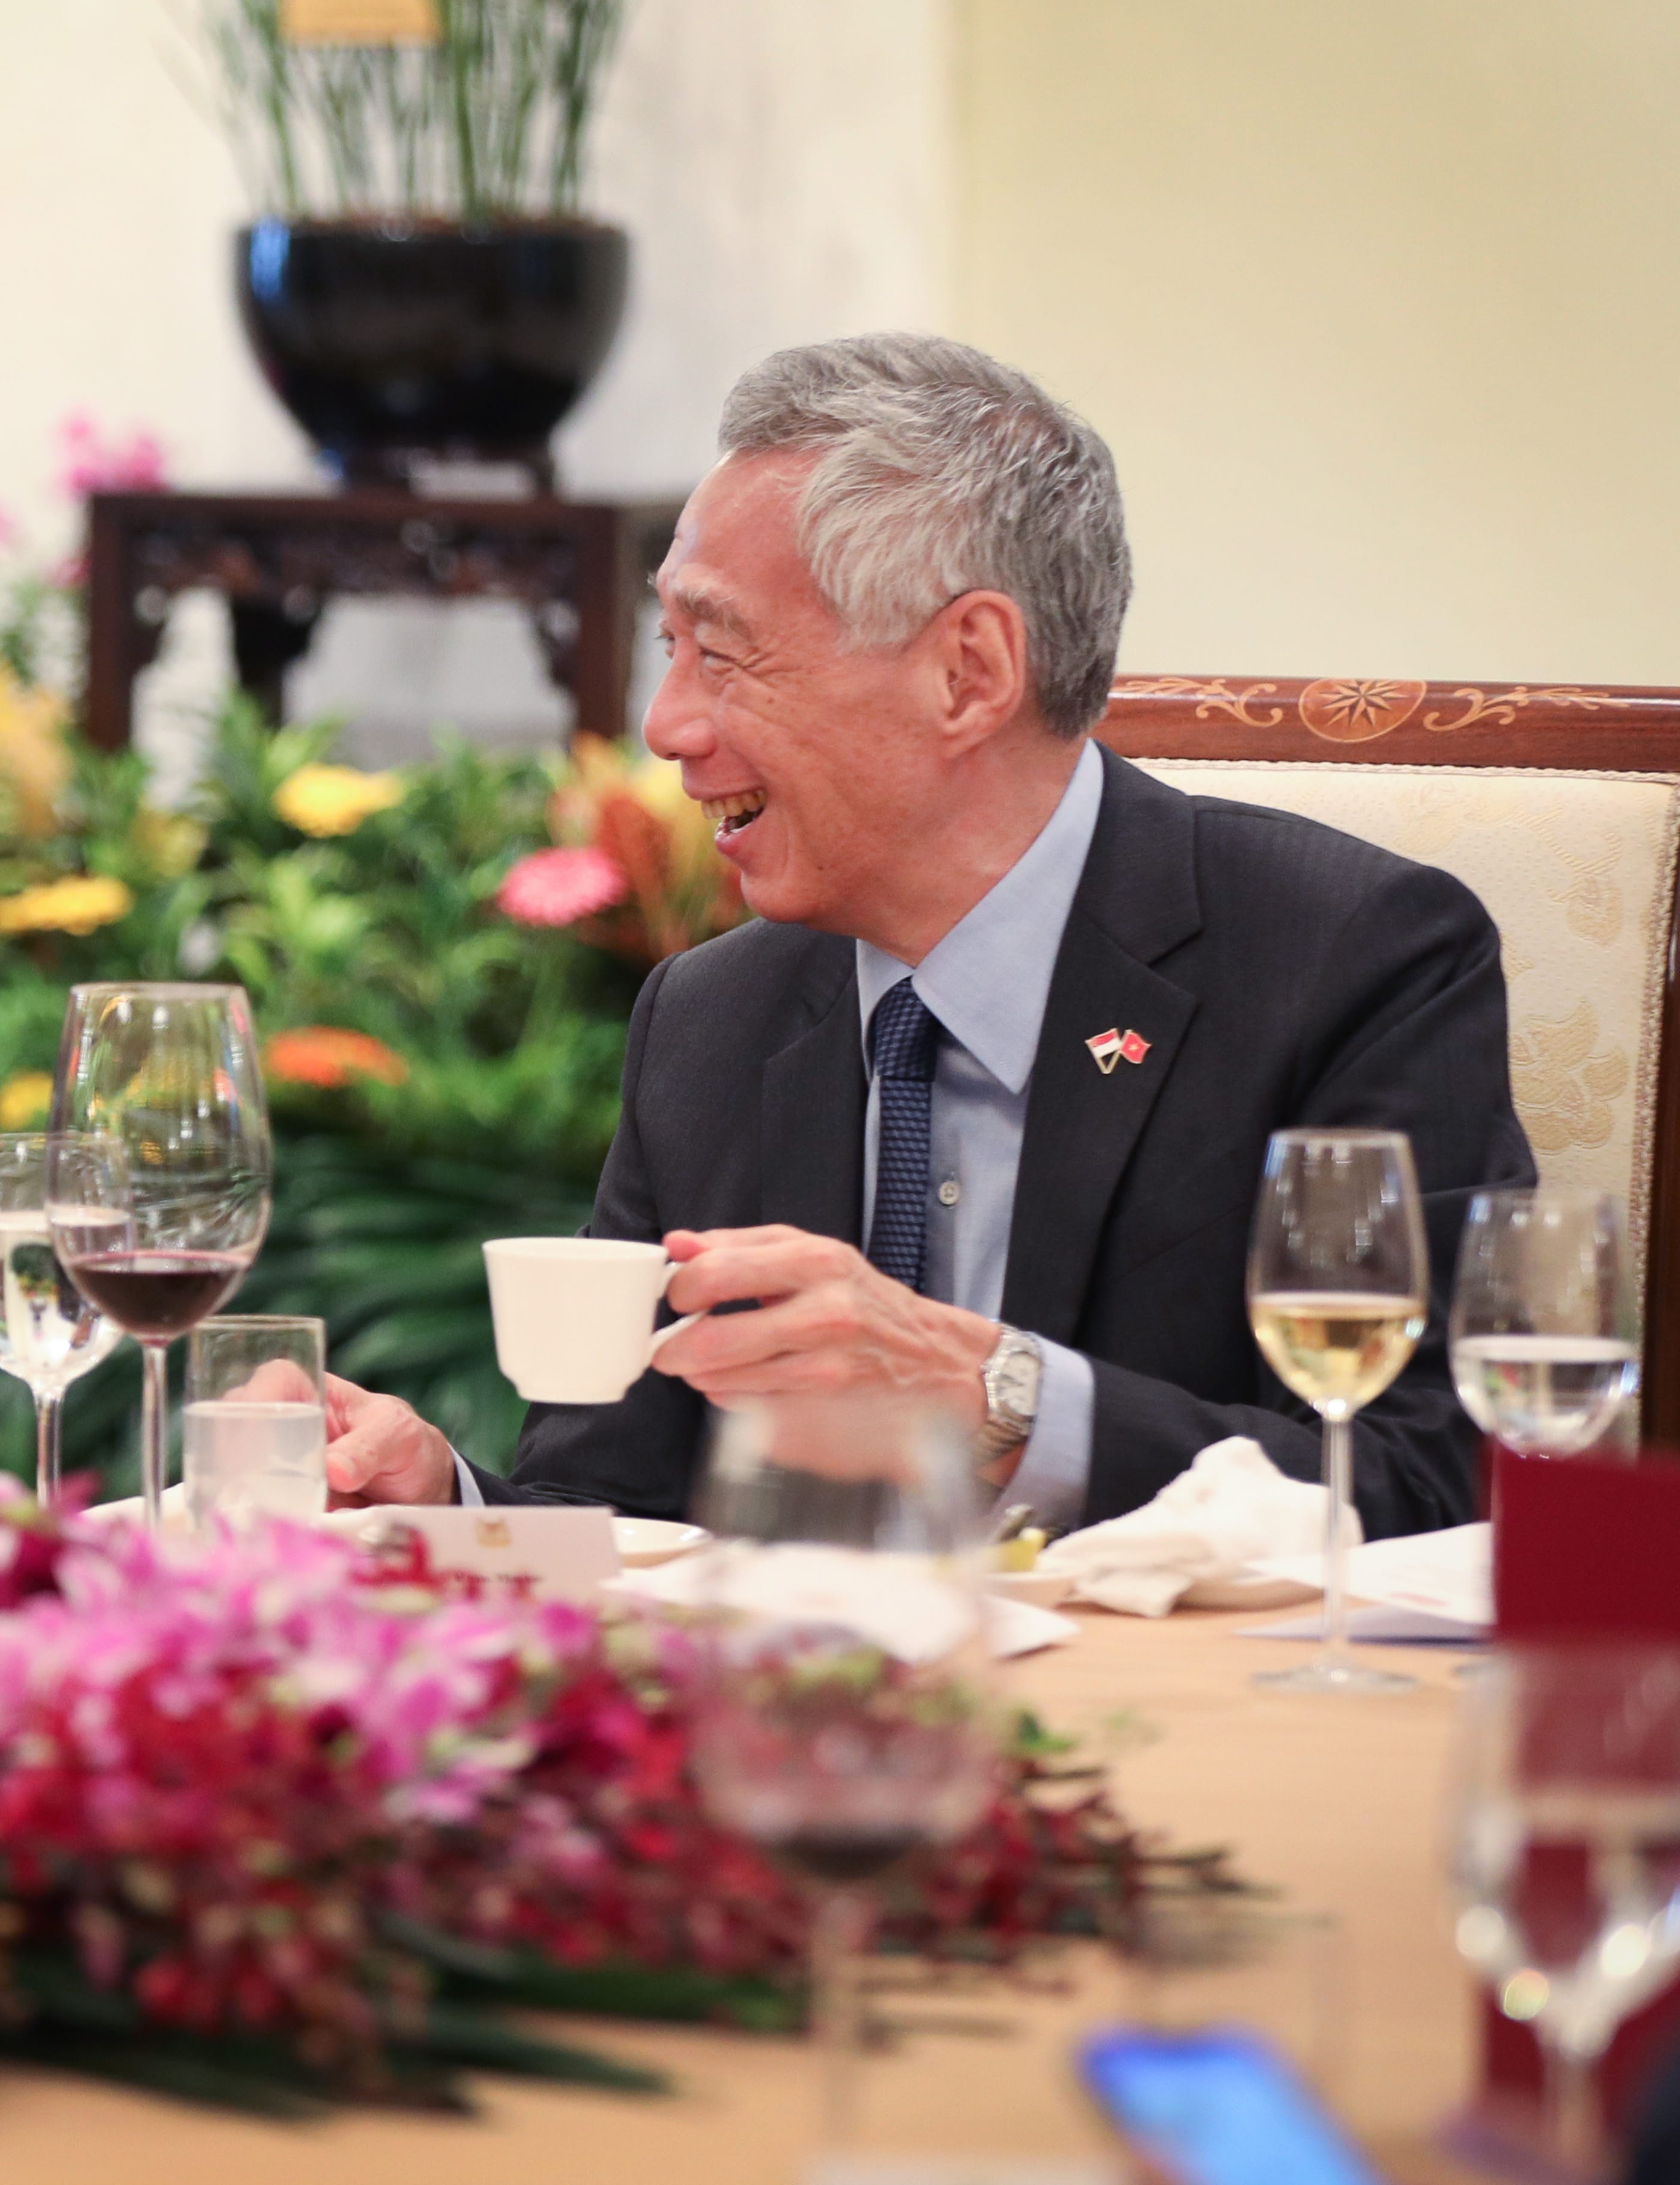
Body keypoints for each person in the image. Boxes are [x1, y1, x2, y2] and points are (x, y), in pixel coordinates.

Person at [324, 335, 1530, 1534]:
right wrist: (444, 1500)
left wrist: (994, 1399)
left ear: (968, 672)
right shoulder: (707, 1018)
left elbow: (1437, 1482)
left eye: (725, 649)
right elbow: (616, 1512)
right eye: (669, 645)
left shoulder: (1353, 963)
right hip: (791, 1709)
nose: (665, 724)